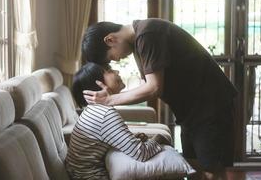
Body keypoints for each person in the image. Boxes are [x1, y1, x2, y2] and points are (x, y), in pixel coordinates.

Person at [81, 18, 237, 179]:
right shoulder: (138, 41)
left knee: (212, 171)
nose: (117, 60)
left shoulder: (148, 34)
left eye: (111, 58)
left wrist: (110, 100)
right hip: (191, 111)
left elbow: (154, 88)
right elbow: (146, 84)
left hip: (211, 106)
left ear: (110, 39)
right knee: (193, 166)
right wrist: (112, 98)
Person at [65, 62, 170, 180]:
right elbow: (141, 153)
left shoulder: (93, 110)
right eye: (109, 71)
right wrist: (159, 138)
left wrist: (132, 138)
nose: (117, 72)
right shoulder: (105, 114)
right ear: (99, 84)